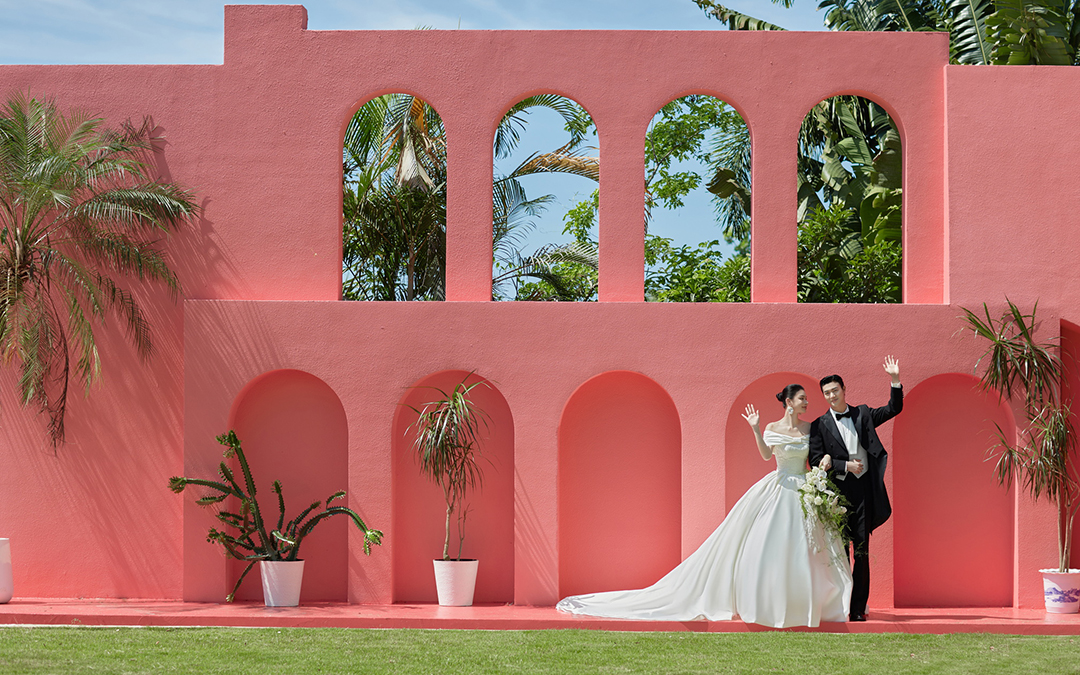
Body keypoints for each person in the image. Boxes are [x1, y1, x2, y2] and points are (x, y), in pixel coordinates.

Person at [556, 384, 852, 628]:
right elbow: (765, 456)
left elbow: (817, 455)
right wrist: (755, 428)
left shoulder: (812, 428)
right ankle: (770, 603)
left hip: (804, 488)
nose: (806, 403)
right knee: (768, 547)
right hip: (777, 486)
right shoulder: (773, 427)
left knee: (808, 548)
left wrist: (825, 464)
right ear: (789, 401)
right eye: (802, 399)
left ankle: (807, 603)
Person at [808, 356, 902, 622]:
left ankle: (858, 609)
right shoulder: (819, 425)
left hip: (863, 494)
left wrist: (894, 380)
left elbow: (893, 408)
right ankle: (838, 605)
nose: (831, 396)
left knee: (861, 551)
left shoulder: (863, 413)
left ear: (844, 390)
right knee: (838, 551)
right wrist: (845, 465)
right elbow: (815, 461)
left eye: (835, 390)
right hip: (836, 495)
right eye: (826, 393)